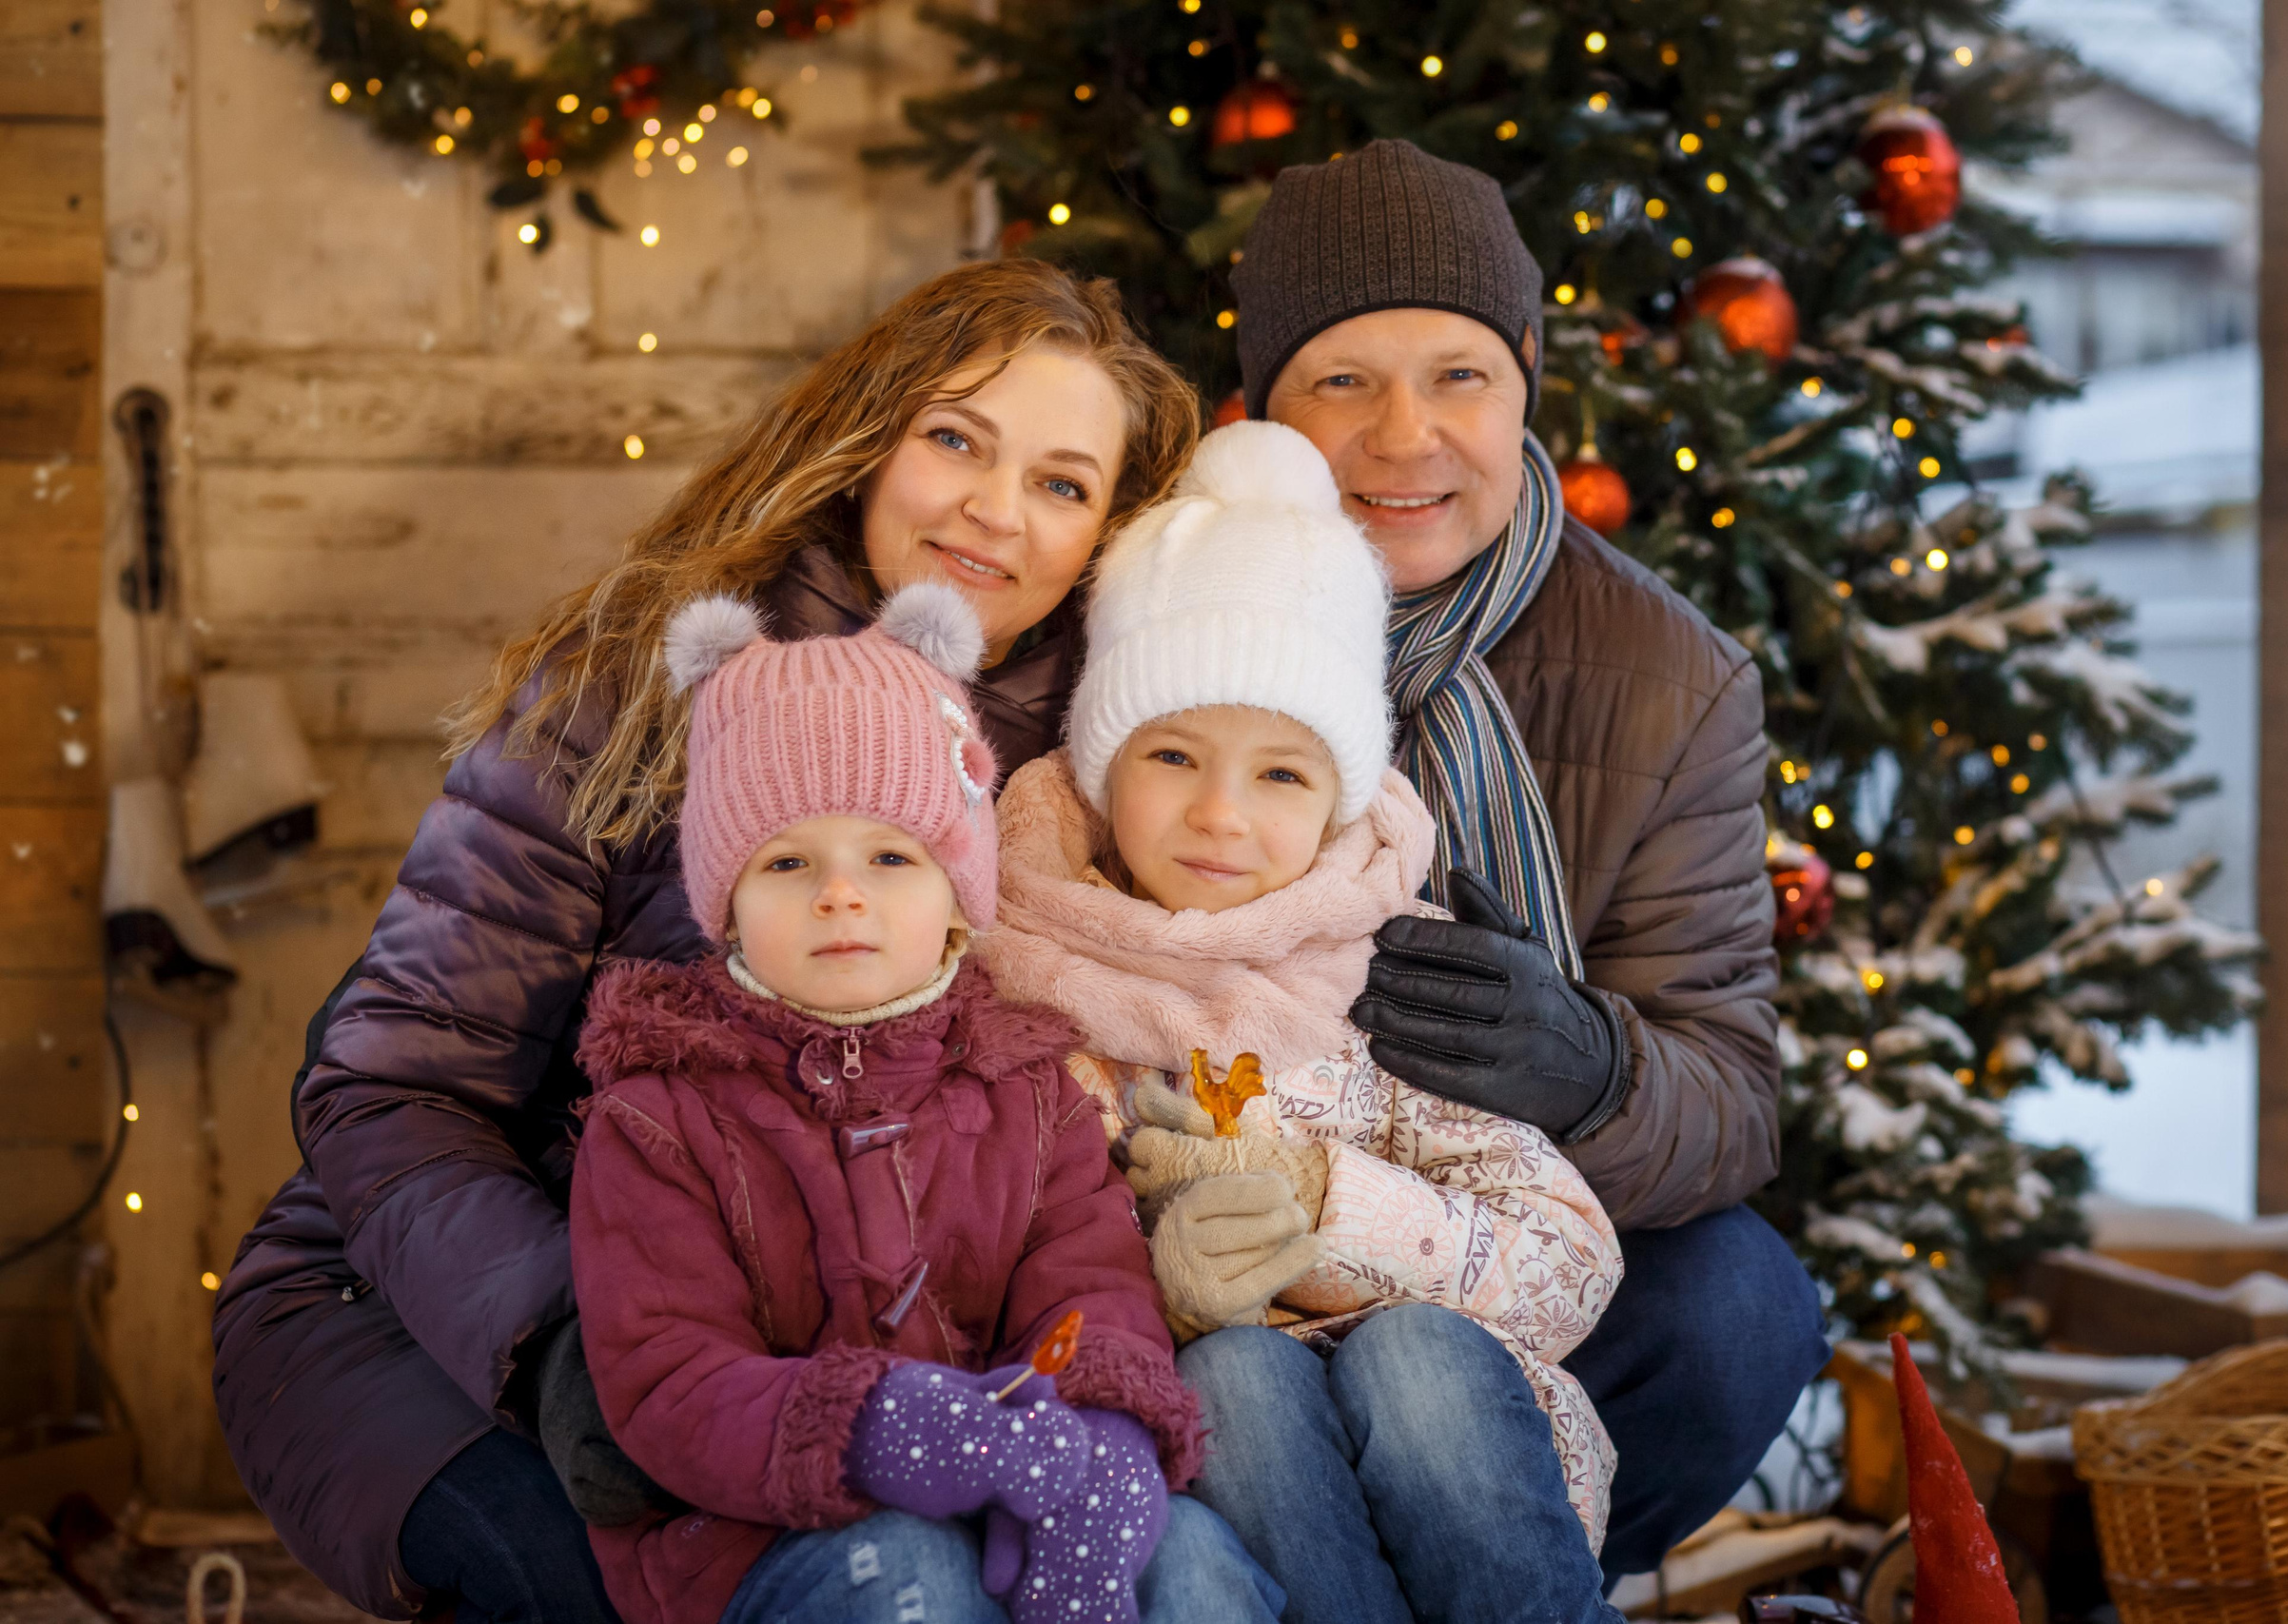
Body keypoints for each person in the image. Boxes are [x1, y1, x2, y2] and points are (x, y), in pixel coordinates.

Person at [209, 259, 1202, 1622]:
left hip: (877, 1371)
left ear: (1108, 532)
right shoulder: (638, 678)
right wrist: (565, 1340)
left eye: (1063, 482)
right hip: (448, 1314)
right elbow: (388, 1082)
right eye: (956, 440)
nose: (994, 508)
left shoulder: (1117, 756)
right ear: (864, 439)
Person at [1223, 138, 1832, 1583]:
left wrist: (1589, 1065)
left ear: (1528, 374)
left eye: (1457, 375)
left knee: (1742, 1298)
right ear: (1262, 403)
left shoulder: (1669, 676)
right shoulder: (1169, 603)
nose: (1405, 437)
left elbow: (1733, 1093)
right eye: (1343, 381)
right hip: (1216, 1197)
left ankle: (1491, 1563)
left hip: (1496, 1228)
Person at [983, 420, 1626, 1624]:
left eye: (1280, 773)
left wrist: (1322, 1207)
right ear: (1099, 771)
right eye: (1172, 754)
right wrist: (1172, 1288)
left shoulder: (1381, 983)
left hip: (1464, 1466)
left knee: (1413, 1355)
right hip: (1233, 1478)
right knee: (1232, 1373)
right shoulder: (1030, 1002)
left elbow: (1572, 1268)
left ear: (1338, 798)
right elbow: (984, 1276)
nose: (1221, 815)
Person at [567, 582, 1281, 1624]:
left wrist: (1108, 1437)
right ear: (724, 905)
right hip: (762, 1543)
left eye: (892, 857)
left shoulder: (1029, 1095)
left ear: (958, 895)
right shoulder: (660, 1115)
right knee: (912, 1572)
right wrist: (871, 1424)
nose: (841, 893)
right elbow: (666, 1376)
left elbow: (1091, 1293)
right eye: (787, 861)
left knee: (1192, 1557)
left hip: (1016, 1491)